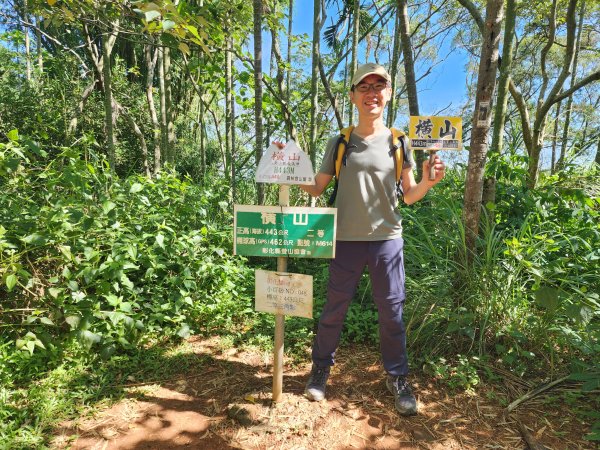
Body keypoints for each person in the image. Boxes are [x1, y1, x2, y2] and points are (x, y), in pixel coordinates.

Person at [298, 63, 445, 415]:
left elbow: (408, 194)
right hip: (345, 240)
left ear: (388, 94)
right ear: (353, 96)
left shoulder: (399, 141)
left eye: (379, 86)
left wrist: (427, 182)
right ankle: (320, 370)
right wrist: (287, 171)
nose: (371, 93)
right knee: (334, 310)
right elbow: (318, 187)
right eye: (364, 87)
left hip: (387, 240)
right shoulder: (340, 141)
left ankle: (398, 378)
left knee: (392, 313)